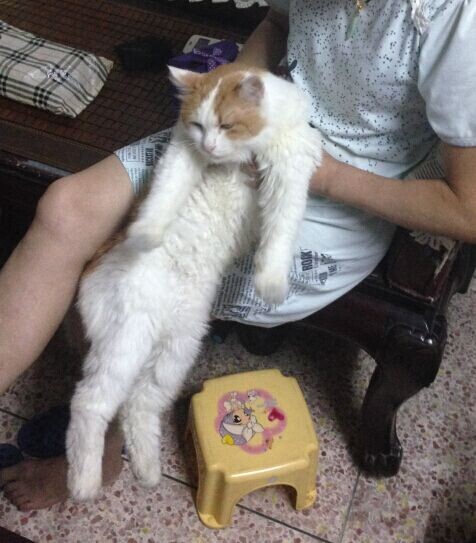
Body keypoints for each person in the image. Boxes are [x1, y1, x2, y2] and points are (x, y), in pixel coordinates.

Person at [1, 0, 475, 511]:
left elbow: (466, 210)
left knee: (134, 284)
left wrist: (325, 175)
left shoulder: (455, 18)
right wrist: (231, 85)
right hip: (251, 130)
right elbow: (277, 22)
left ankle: (108, 443)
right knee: (66, 211)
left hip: (345, 185)